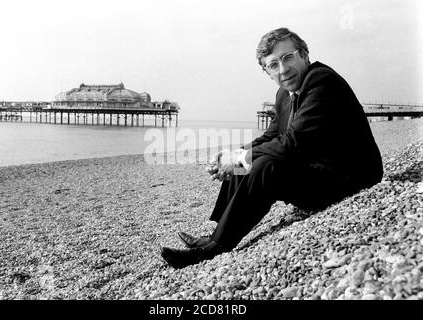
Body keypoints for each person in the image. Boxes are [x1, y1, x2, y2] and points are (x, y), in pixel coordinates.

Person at [161, 27, 383, 269]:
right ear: (266, 71)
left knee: (263, 165)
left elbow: (293, 142)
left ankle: (214, 248)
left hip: (350, 180)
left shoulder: (322, 81)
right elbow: (271, 135)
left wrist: (240, 158)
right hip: (318, 170)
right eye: (273, 64)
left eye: (288, 58)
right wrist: (232, 155)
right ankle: (217, 233)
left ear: (304, 56)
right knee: (246, 160)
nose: (283, 69)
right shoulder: (284, 93)